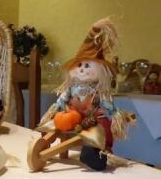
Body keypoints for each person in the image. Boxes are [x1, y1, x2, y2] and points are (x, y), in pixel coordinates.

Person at [39, 18, 133, 170]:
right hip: (71, 118)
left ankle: (101, 151)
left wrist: (117, 115)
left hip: (91, 120)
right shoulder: (71, 89)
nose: (82, 69)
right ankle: (44, 142)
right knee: (52, 123)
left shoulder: (96, 92)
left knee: (104, 125)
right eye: (79, 65)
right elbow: (62, 101)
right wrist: (54, 110)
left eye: (87, 65)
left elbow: (106, 105)